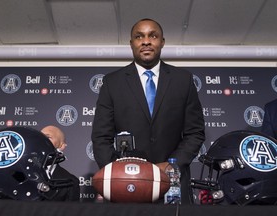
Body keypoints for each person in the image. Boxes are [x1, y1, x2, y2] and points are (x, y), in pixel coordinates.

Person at [91, 18, 205, 204]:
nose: (146, 41)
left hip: (172, 183)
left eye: (153, 35)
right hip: (126, 185)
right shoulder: (112, 83)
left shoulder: (183, 80)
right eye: (139, 36)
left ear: (162, 42)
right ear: (131, 44)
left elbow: (195, 133)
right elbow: (101, 137)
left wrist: (172, 165)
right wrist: (117, 173)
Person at [41, 125, 80, 201]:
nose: (42, 140)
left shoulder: (70, 182)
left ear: (61, 146)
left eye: (48, 137)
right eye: (39, 137)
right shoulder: (19, 171)